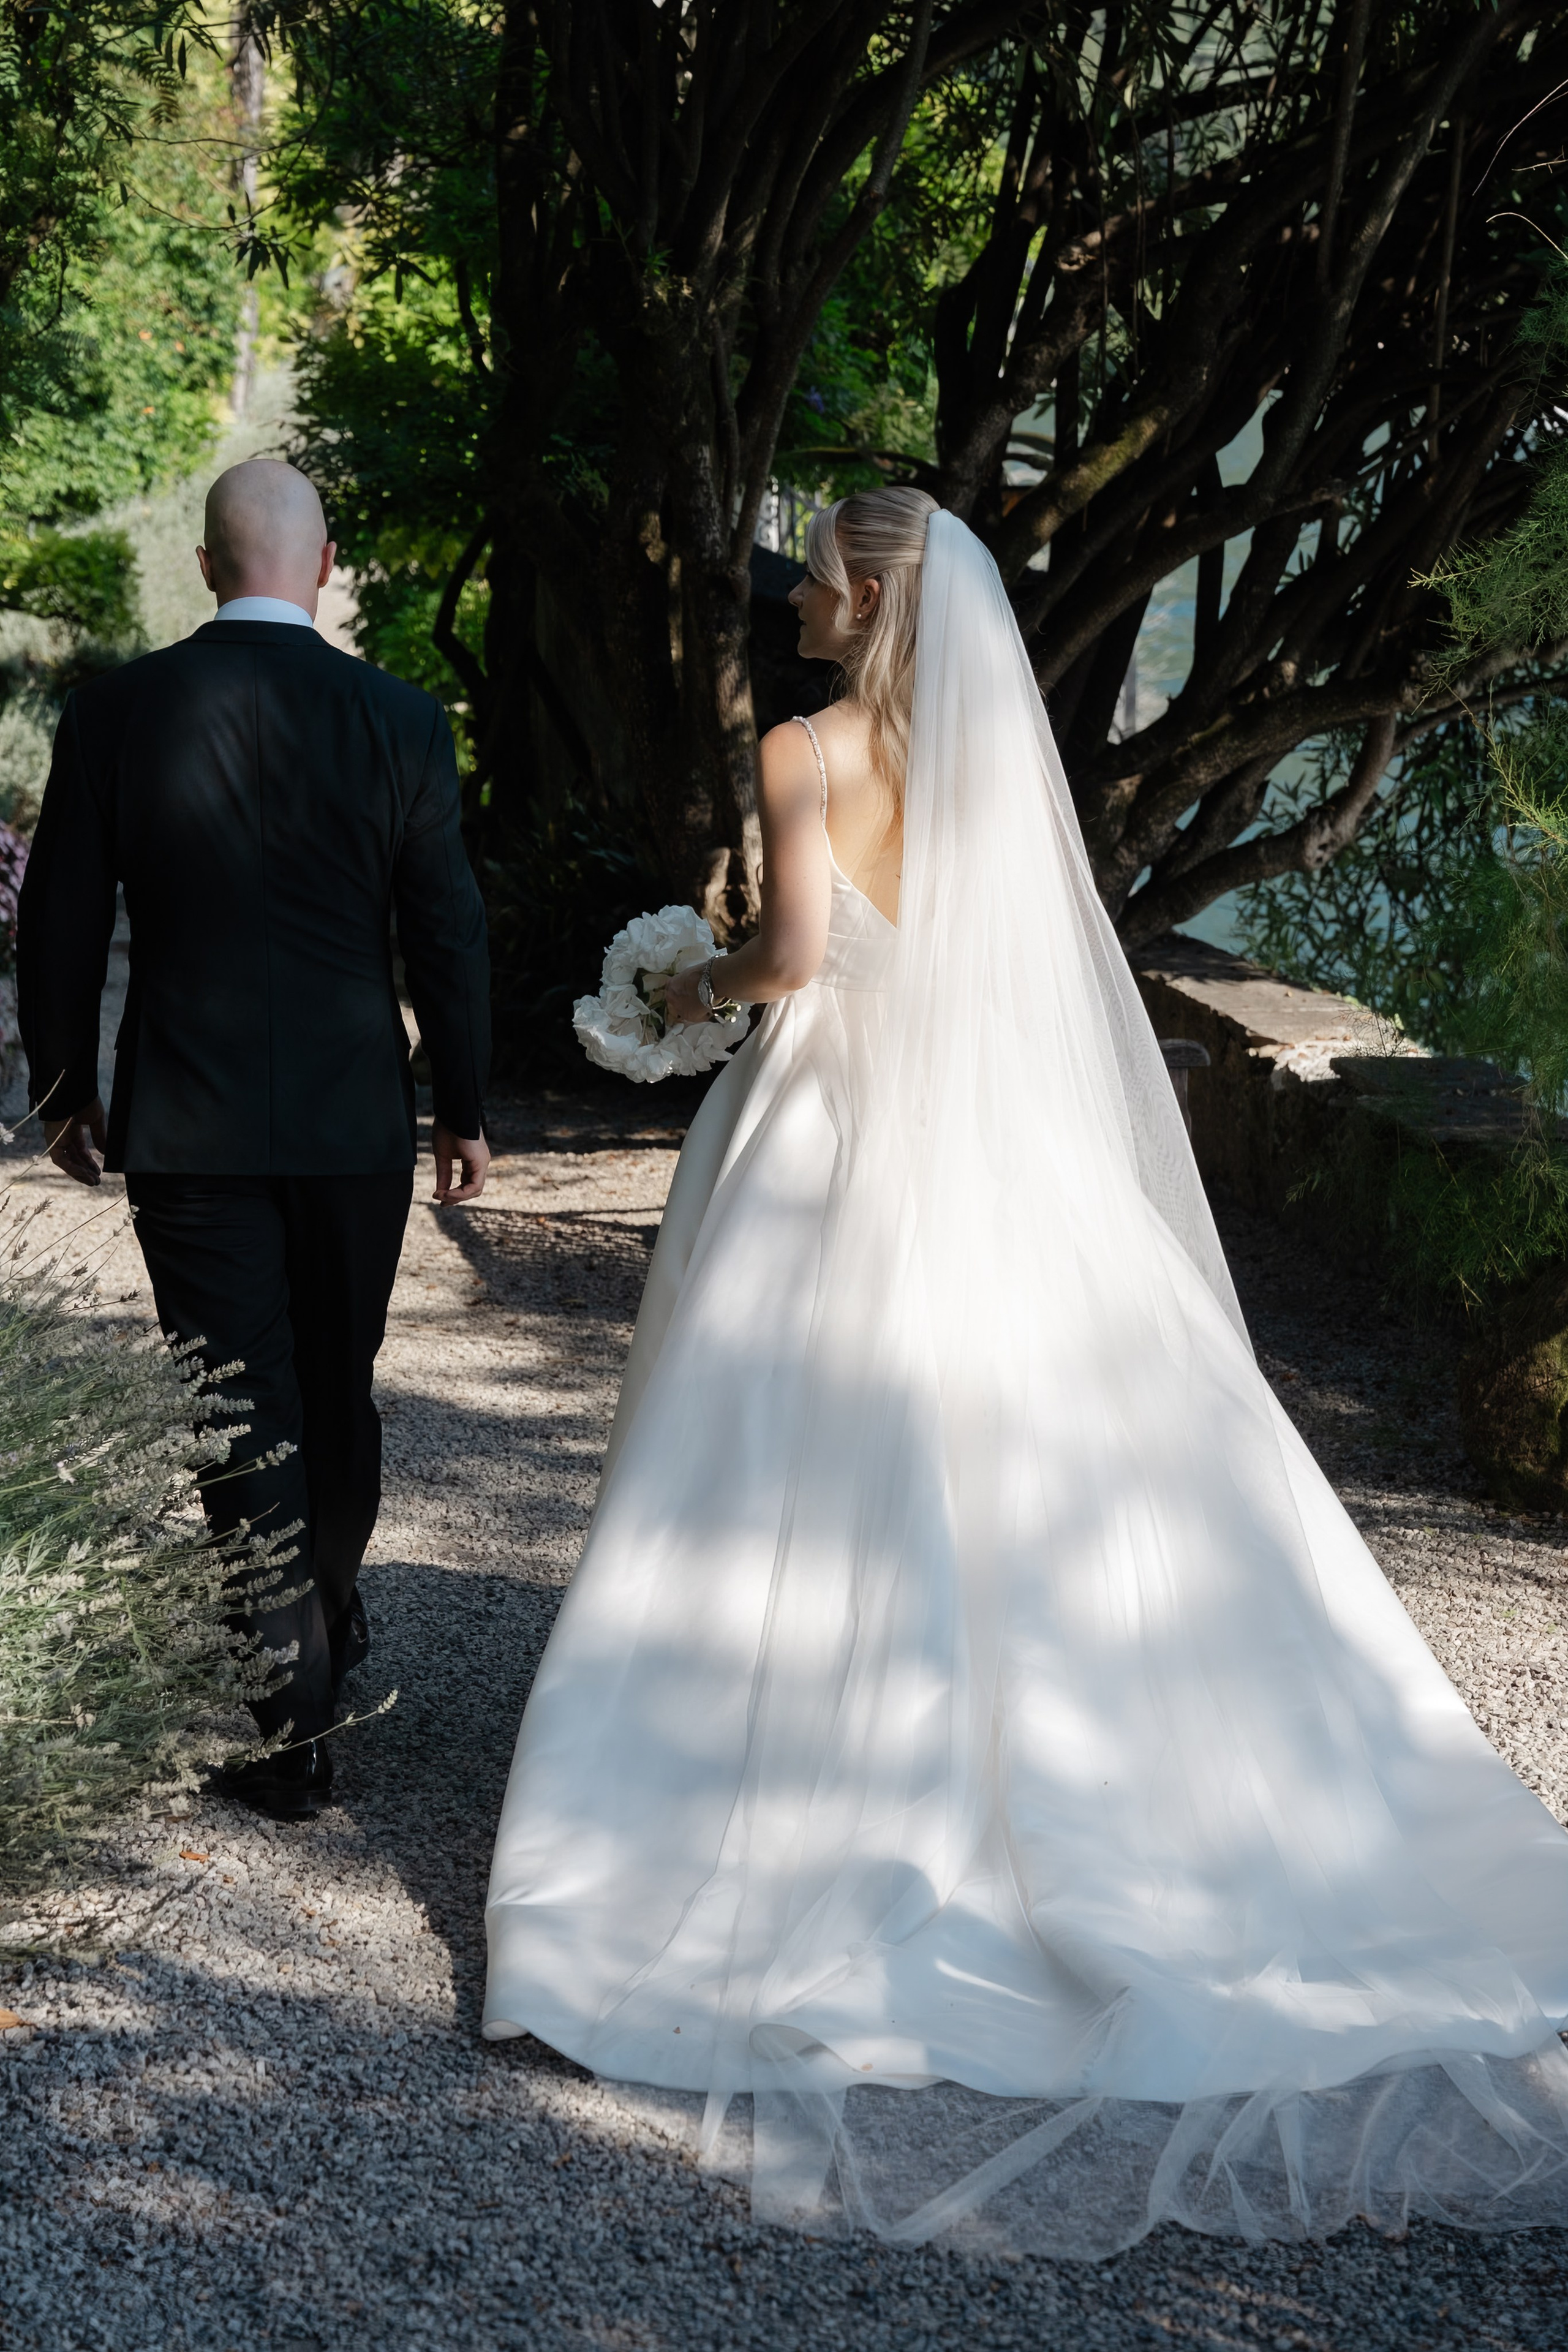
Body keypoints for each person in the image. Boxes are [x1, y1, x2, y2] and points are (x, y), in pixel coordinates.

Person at [483, 489, 1568, 2255]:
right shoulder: (996, 763)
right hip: (1004, 1155)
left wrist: (679, 994)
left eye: (819, 585)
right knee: (1034, 1444)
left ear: (870, 601)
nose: (797, 606)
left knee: (787, 1456)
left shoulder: (803, 750)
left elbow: (796, 962)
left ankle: (778, 1789)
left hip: (831, 1132)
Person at [17, 459, 491, 1821]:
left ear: (208, 565)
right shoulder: (399, 719)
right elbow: (445, 928)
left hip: (191, 1122)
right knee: (337, 1381)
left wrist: (62, 1091)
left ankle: (289, 1710)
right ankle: (320, 1625)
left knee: (238, 1403)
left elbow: (58, 915)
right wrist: (461, 1102)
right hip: (355, 1120)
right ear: (326, 563)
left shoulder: (115, 711)